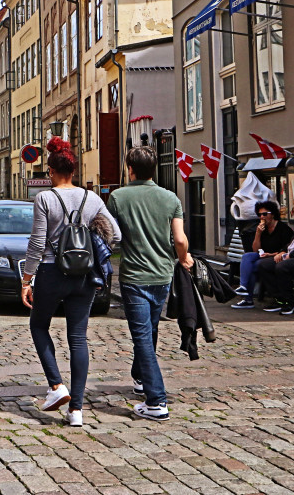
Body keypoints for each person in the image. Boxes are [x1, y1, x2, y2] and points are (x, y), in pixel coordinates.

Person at [21, 138, 118, 428]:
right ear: (73, 171)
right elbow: (116, 235)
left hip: (52, 272)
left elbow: (38, 242)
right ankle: (76, 409)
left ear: (51, 172)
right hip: (85, 274)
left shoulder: (45, 198)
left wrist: (27, 278)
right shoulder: (93, 199)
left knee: (39, 325)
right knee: (78, 338)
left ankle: (56, 386)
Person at [107, 146, 193, 422]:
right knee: (150, 329)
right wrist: (184, 258)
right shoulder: (170, 198)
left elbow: (110, 237)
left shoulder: (118, 197)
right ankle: (141, 378)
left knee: (143, 336)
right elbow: (179, 239)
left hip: (134, 276)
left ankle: (156, 401)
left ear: (130, 169)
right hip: (162, 275)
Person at [231, 200, 293, 309]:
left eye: (265, 214)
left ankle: (248, 299)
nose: (262, 217)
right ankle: (243, 286)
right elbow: (255, 249)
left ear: (273, 214)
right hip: (264, 255)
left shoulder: (284, 229)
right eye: (259, 215)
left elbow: (287, 250)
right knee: (247, 256)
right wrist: (258, 234)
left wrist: (271, 254)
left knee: (255, 266)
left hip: (277, 257)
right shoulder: (262, 229)